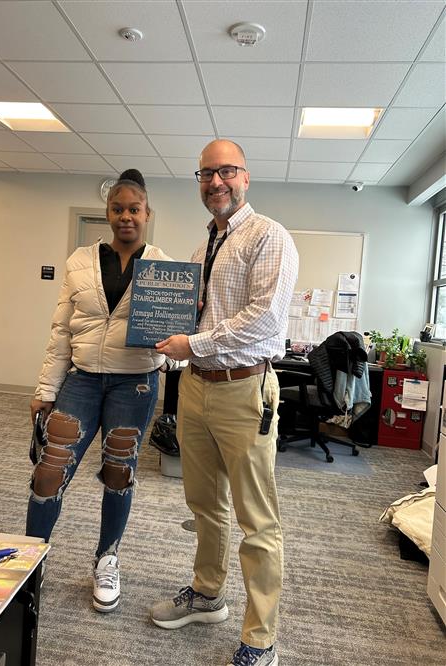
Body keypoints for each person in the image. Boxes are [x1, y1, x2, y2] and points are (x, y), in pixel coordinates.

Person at [150, 140, 299, 666]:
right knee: (204, 505)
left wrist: (192, 344)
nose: (216, 182)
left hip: (244, 389)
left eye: (226, 171)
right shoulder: (201, 249)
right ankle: (208, 593)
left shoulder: (269, 237)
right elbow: (196, 321)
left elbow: (264, 320)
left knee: (257, 519)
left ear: (246, 176)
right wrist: (168, 338)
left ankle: (261, 639)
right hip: (197, 388)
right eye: (206, 174)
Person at [26, 169, 172, 613]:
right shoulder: (79, 261)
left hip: (136, 383)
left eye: (134, 209)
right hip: (83, 379)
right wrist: (45, 390)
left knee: (118, 471)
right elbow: (60, 333)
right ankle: (31, 563)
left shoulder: (165, 268)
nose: (125, 216)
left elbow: (171, 339)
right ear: (107, 213)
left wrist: (174, 342)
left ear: (147, 213)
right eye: (117, 208)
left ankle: (107, 558)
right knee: (50, 470)